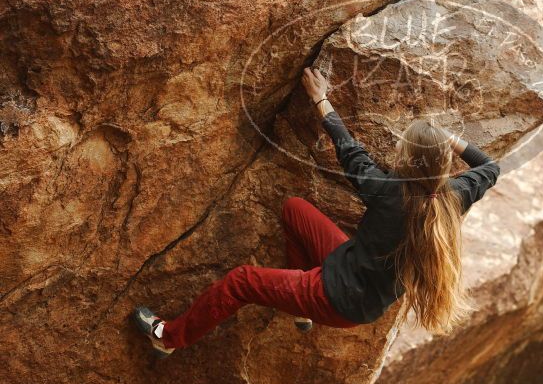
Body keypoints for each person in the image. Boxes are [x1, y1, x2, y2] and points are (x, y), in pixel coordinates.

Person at [132, 67, 501, 357]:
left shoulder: (389, 192)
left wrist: (320, 100)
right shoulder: (454, 194)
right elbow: (490, 167)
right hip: (355, 279)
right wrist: (446, 142)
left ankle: (169, 338)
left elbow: (349, 150)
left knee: (241, 281)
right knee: (294, 210)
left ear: (406, 161)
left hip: (336, 297)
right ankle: (300, 311)